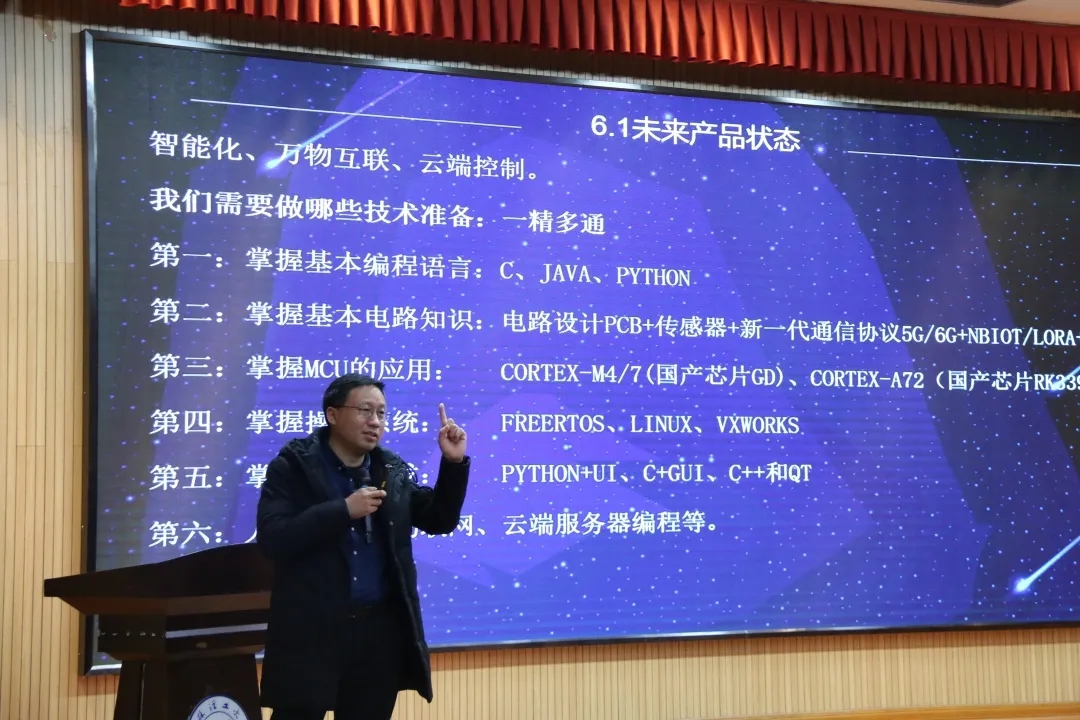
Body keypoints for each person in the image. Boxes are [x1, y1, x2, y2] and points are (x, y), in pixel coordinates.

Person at [255, 373, 470, 720]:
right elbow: (273, 537)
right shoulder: (294, 466)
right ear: (333, 414)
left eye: (381, 413)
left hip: (377, 634)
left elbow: (438, 519)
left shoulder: (390, 470)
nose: (375, 422)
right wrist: (342, 511)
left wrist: (454, 464)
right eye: (365, 410)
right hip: (312, 631)